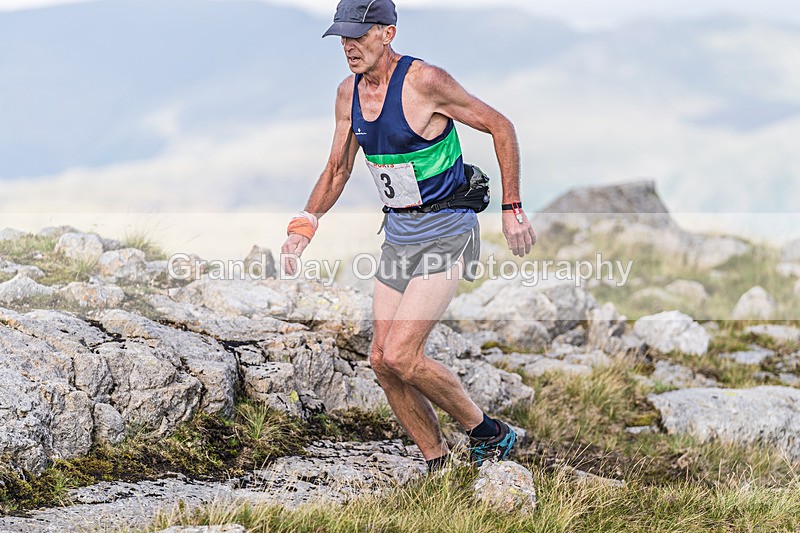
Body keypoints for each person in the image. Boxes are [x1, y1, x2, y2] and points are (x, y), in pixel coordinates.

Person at [280, 0, 536, 473]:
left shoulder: (424, 81)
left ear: (388, 33)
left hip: (447, 229)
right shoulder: (348, 94)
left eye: (358, 34)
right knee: (381, 360)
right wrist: (305, 225)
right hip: (399, 235)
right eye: (342, 36)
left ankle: (488, 433)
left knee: (403, 353)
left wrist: (512, 207)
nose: (348, 45)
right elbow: (338, 168)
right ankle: (438, 465)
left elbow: (501, 126)